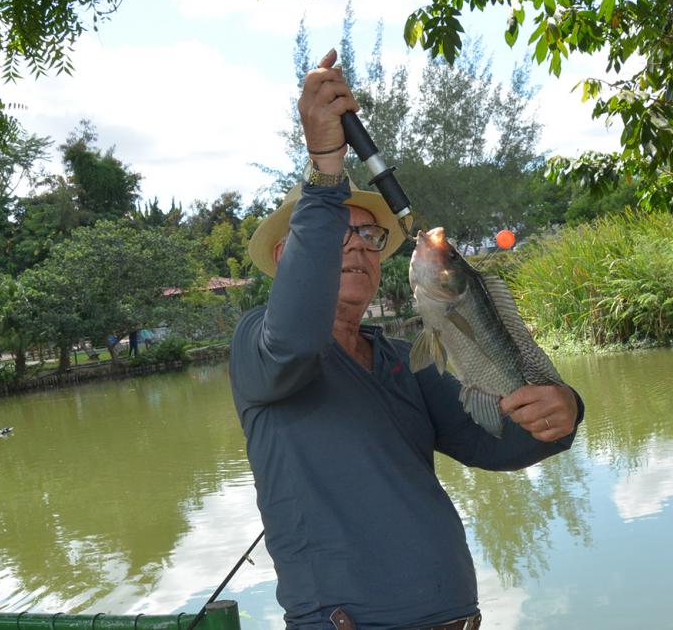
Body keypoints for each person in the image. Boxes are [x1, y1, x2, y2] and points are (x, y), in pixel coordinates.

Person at [230, 48, 584, 629]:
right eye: (333, 232)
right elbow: (293, 336)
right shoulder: (258, 346)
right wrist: (324, 172)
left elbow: (491, 442)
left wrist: (561, 413)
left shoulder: (408, 359)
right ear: (284, 257)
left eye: (369, 235)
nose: (356, 246)